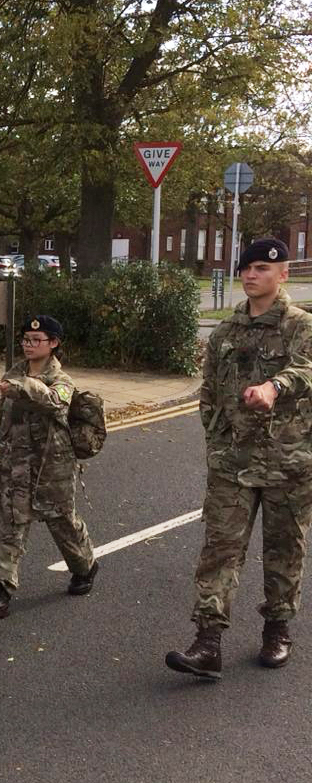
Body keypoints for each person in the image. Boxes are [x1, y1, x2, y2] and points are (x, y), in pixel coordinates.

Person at [166, 238, 312, 678]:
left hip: (289, 461)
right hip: (232, 463)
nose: (251, 275)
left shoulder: (300, 326)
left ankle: (277, 628)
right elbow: (208, 391)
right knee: (219, 550)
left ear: (282, 274)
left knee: (284, 550)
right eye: (246, 268)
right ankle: (208, 642)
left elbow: (306, 370)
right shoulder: (226, 332)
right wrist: (214, 442)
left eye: (262, 269)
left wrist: (273, 387)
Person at [0, 315, 99, 622]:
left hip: (52, 468)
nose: (29, 345)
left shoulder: (62, 380)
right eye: (25, 339)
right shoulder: (14, 373)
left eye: (37, 340)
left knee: (62, 522)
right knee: (11, 526)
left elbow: (53, 401)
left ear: (53, 344)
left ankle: (84, 566)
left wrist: (22, 387)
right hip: (16, 468)